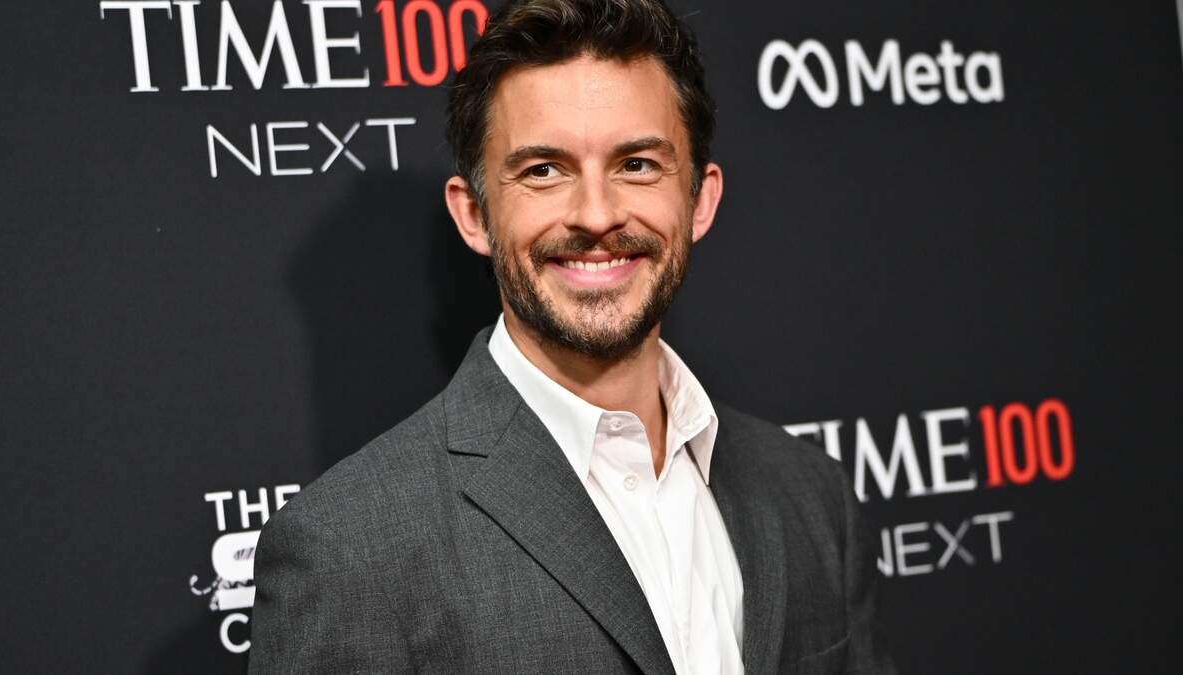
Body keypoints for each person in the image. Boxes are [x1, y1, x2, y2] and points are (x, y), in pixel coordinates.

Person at [248, 1, 894, 673]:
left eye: (637, 164)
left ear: (700, 199)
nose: (595, 215)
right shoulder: (351, 549)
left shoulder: (813, 497)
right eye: (544, 171)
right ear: (475, 215)